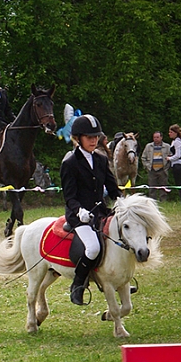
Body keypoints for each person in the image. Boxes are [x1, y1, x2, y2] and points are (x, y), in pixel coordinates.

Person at [60, 114, 122, 306]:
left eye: (96, 137)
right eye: (89, 137)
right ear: (78, 138)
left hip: (101, 213)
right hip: (80, 216)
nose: (94, 140)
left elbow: (113, 188)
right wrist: (80, 211)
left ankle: (119, 280)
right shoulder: (70, 163)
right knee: (94, 248)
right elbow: (70, 196)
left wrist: (121, 201)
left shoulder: (102, 160)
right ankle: (78, 285)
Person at [141, 131, 170, 201]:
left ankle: (163, 201)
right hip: (152, 169)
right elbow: (143, 158)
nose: (156, 139)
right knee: (152, 187)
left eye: (157, 137)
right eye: (154, 137)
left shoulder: (167, 146)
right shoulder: (148, 146)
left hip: (162, 169)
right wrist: (147, 166)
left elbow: (171, 157)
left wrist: (166, 167)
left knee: (163, 187)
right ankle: (152, 201)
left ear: (161, 137)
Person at [167, 124, 181, 203]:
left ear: (175, 133)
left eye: (171, 132)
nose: (169, 134)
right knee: (178, 182)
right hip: (175, 164)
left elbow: (178, 155)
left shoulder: (177, 142)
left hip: (179, 164)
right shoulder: (174, 141)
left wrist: (169, 158)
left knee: (180, 182)